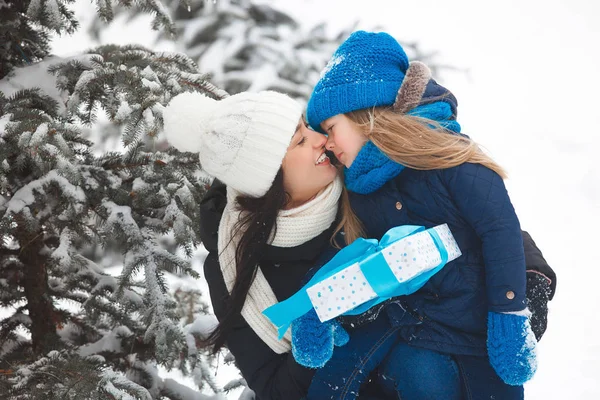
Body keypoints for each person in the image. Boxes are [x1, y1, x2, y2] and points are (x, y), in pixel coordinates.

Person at [304, 31, 556, 400]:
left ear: (365, 115)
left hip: (481, 337)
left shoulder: (451, 162)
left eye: (330, 128)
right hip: (419, 335)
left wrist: (508, 317)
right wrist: (318, 308)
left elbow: (499, 231)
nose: (326, 142)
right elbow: (349, 255)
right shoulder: (361, 190)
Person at [161, 90, 387, 399]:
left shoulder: (365, 185)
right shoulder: (232, 266)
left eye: (306, 126)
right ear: (272, 185)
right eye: (300, 140)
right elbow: (273, 388)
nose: (320, 138)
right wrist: (320, 326)